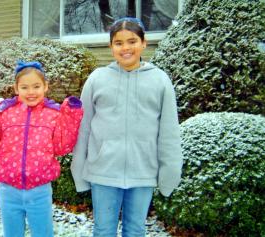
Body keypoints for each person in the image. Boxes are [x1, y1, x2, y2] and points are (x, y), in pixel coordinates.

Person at [71, 17, 183, 237]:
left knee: (135, 230)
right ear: (111, 46)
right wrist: (79, 169)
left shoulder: (160, 80)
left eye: (132, 41)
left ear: (144, 43)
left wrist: (169, 173)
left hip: (143, 172)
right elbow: (82, 129)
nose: (126, 48)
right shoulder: (97, 79)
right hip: (103, 172)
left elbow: (169, 132)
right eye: (118, 42)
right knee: (103, 230)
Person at [0, 61, 83, 237]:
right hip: (8, 190)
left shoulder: (53, 114)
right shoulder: (5, 112)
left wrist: (71, 114)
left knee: (43, 233)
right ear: (16, 88)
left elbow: (62, 146)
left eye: (36, 86)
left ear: (45, 87)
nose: (31, 92)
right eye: (25, 87)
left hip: (39, 190)